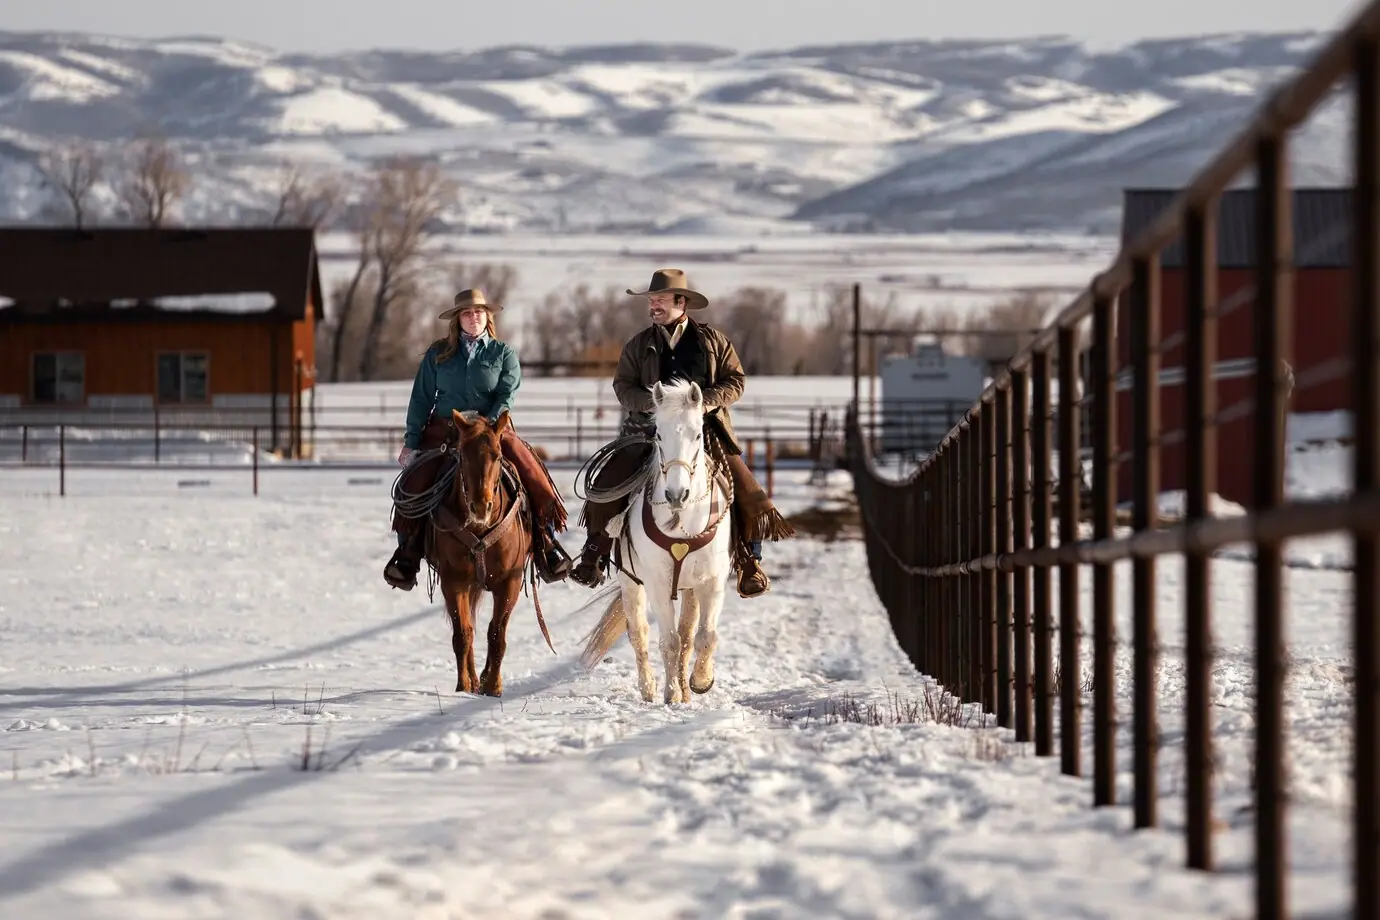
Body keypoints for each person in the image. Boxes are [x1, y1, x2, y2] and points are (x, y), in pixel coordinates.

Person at [568, 268, 794, 598]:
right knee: (608, 482)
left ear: (681, 302)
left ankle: (749, 560)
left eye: (660, 300)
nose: (654, 305)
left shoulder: (714, 342)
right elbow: (623, 387)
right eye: (652, 300)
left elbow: (736, 381)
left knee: (745, 485)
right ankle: (595, 554)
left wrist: (706, 404)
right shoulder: (639, 344)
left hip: (703, 430)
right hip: (646, 431)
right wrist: (654, 405)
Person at [384, 288, 572, 591]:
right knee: (413, 485)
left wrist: (489, 425)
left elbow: (506, 394)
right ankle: (408, 553)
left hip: (492, 430)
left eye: (479, 312)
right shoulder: (438, 354)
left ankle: (546, 544)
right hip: (445, 431)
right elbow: (420, 399)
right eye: (467, 313)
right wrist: (412, 441)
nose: (474, 318)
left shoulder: (503, 353)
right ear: (457, 319)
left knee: (533, 473)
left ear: (488, 317)